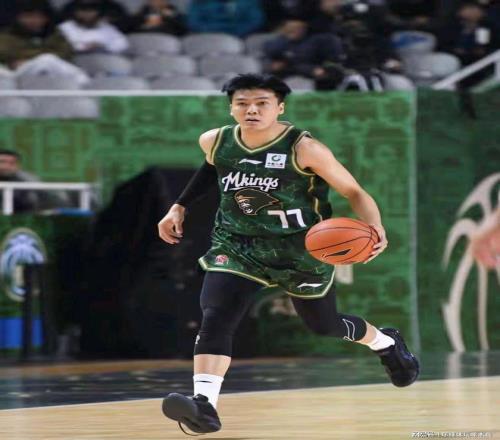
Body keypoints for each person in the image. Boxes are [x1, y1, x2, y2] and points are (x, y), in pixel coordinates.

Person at [157, 73, 420, 435]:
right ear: (231, 108)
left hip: (300, 250)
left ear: (279, 108)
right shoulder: (215, 140)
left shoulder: (305, 149)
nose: (251, 110)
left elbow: (354, 191)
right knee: (216, 315)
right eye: (242, 103)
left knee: (324, 325)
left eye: (261, 103)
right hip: (238, 245)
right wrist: (179, 206)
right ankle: (204, 406)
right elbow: (213, 166)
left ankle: (385, 342)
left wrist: (375, 227)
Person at [0, 1, 89, 85]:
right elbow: (5, 54)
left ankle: (86, 87)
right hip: (16, 76)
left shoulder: (54, 35)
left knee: (48, 60)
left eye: (39, 17)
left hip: (53, 75)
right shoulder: (6, 36)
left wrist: (31, 59)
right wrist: (14, 62)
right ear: (18, 18)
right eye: (28, 17)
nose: (34, 21)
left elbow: (66, 53)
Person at [263, 19, 346, 90]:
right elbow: (270, 58)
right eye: (289, 28)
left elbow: (327, 61)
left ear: (304, 28)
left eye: (296, 28)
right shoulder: (279, 42)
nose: (292, 30)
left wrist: (318, 70)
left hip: (310, 75)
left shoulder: (316, 41)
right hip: (287, 76)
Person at [0, 149, 71, 213]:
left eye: (12, 163)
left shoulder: (28, 180)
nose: (6, 166)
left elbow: (55, 199)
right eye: (2, 162)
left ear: (18, 166)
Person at [58, 0, 129, 54]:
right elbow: (60, 48)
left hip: (102, 61)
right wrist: (84, 47)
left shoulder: (107, 28)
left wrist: (102, 46)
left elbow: (123, 45)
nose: (87, 14)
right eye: (83, 10)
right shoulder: (65, 28)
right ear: (76, 12)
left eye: (91, 11)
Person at [187, 0, 265, 37]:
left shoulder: (249, 2)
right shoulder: (200, 2)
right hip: (207, 38)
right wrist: (217, 31)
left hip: (242, 38)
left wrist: (235, 32)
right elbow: (193, 23)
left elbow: (255, 21)